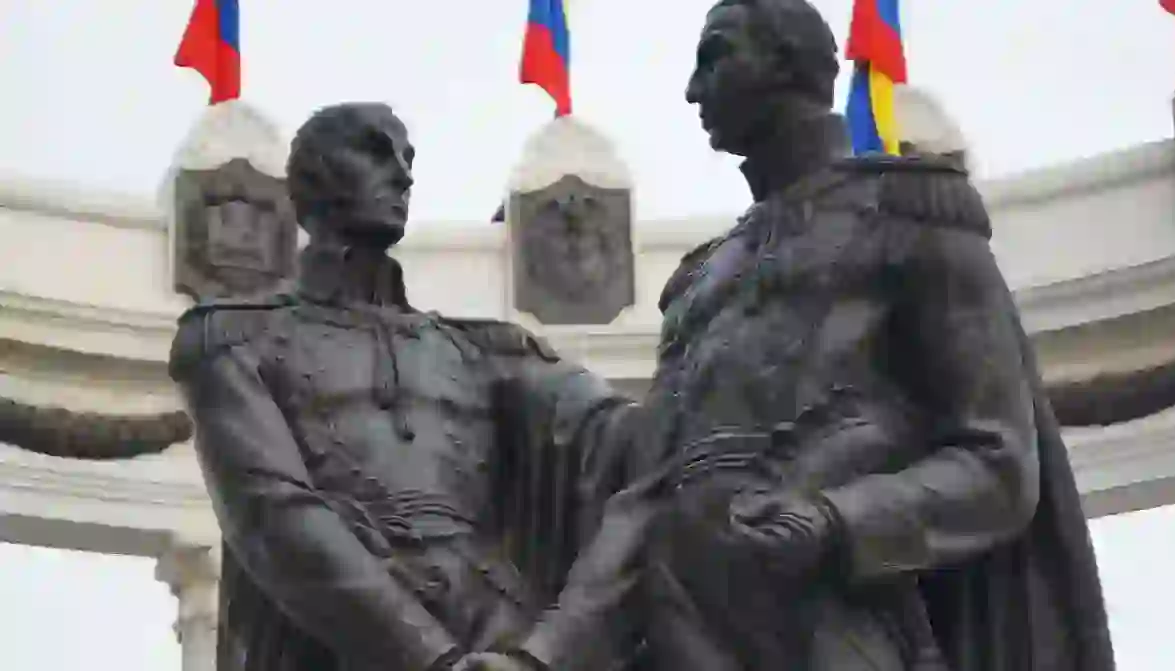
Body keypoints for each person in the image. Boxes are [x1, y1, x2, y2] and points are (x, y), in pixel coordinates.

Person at [495, 1, 1117, 669]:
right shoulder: (699, 281)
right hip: (684, 629)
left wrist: (837, 520)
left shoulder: (910, 218)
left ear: (786, 61)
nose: (693, 90)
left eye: (716, 57)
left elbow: (998, 461)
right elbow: (647, 496)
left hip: (833, 626)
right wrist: (541, 653)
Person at [168, 102, 637, 671]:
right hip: (339, 647)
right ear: (309, 178)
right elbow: (273, 514)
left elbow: (625, 439)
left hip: (497, 638)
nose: (402, 174)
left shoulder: (484, 352)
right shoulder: (232, 337)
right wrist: (430, 658)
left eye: (408, 158)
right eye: (375, 151)